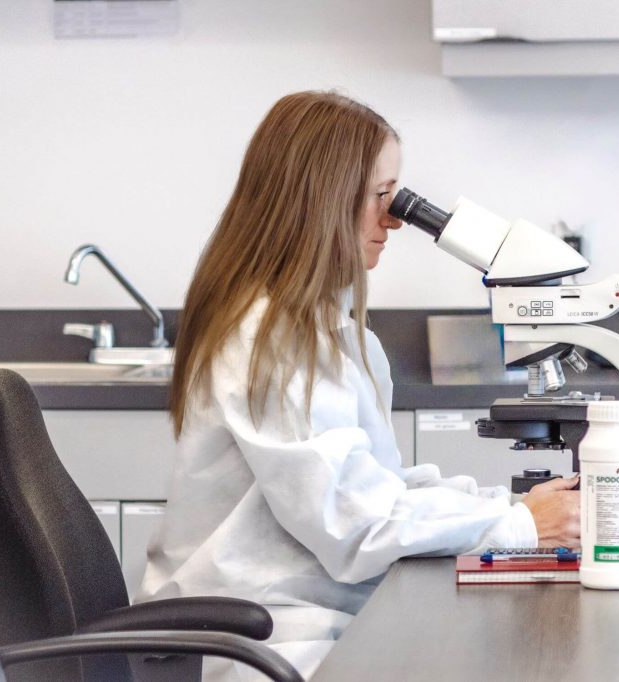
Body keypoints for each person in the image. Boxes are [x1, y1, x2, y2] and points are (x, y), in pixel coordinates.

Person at [136, 90, 580, 681]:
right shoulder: (270, 339)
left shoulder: (328, 332)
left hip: (302, 618)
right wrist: (522, 527)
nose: (394, 219)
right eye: (380, 196)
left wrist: (511, 506)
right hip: (260, 641)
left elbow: (378, 488)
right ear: (322, 199)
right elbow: (355, 526)